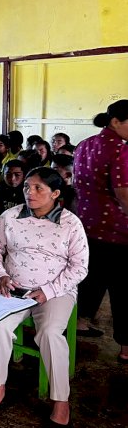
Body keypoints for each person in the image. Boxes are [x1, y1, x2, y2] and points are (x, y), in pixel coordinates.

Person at [0, 167, 88, 428]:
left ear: (56, 193)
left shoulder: (70, 223)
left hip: (56, 292)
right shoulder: (11, 216)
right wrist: (1, 275)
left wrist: (49, 291)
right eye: (27, 186)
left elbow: (79, 267)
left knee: (50, 333)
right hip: (14, 289)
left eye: (38, 188)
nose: (30, 192)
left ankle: (61, 400)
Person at [73, 100, 128, 360]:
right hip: (117, 230)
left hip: (86, 224)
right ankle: (127, 347)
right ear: (116, 121)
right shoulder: (120, 149)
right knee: (124, 289)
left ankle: (81, 322)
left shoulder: (84, 145)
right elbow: (124, 195)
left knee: (92, 276)